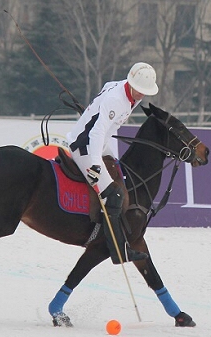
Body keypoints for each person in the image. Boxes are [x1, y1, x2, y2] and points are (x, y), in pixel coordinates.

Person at [66, 62, 159, 264]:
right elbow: (98, 131)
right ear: (132, 84)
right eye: (140, 91)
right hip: (85, 145)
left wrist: (94, 110)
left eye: (145, 92)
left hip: (100, 143)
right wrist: (94, 164)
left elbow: (105, 89)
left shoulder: (124, 89)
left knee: (121, 175)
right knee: (114, 195)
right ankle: (119, 251)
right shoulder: (117, 100)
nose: (142, 95)